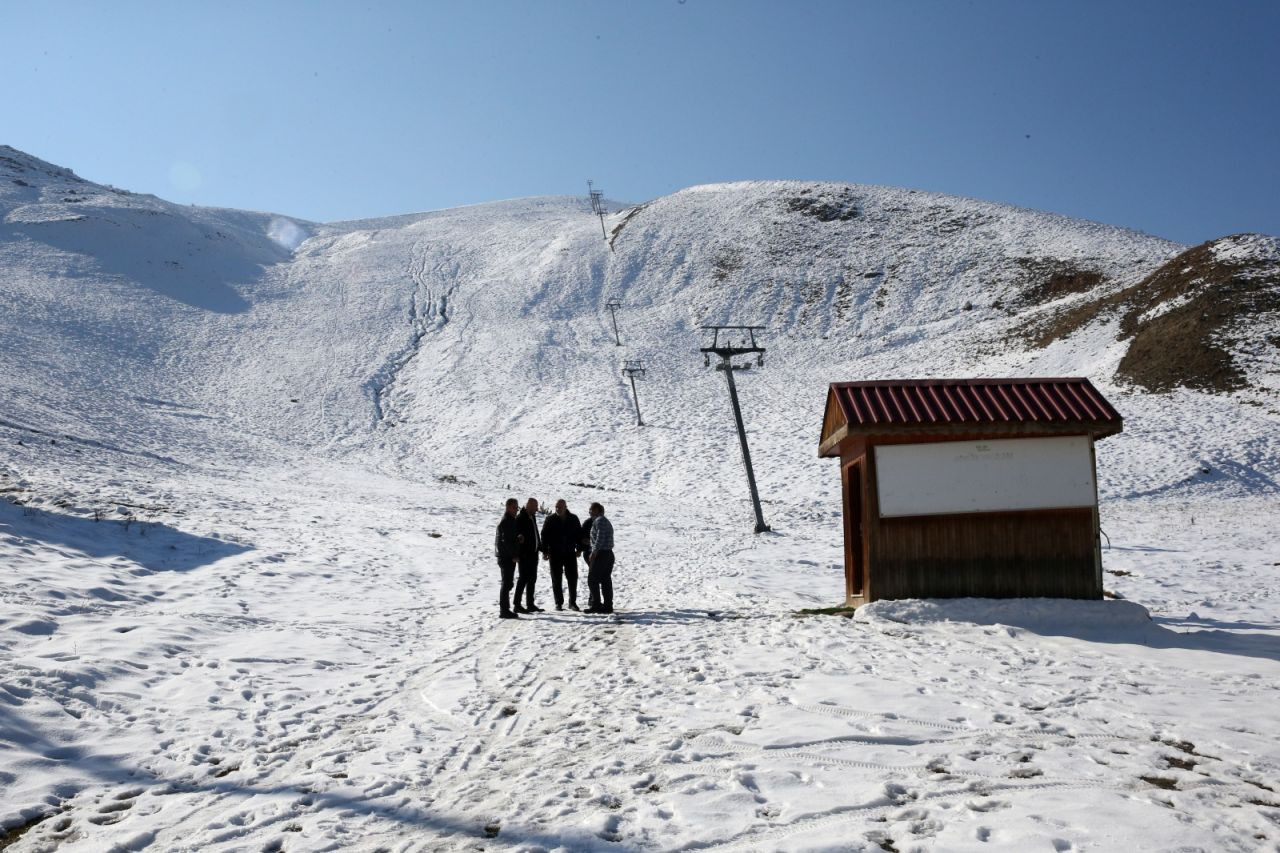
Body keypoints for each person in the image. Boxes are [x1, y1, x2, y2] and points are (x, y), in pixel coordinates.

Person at [540, 499, 582, 611]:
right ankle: (558, 603)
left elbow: (579, 534)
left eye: (560, 507)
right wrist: (545, 551)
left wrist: (579, 549)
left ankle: (572, 602)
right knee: (556, 578)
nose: (558, 509)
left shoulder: (573, 519)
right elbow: (544, 536)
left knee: (572, 578)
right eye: (556, 507)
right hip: (555, 553)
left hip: (569, 552)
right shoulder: (550, 519)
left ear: (565, 507)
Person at [513, 497, 543, 613]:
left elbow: (535, 535)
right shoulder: (521, 518)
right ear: (529, 506)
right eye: (535, 507)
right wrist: (520, 553)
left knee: (532, 579)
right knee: (523, 579)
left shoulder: (532, 517)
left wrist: (541, 548)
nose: (537, 509)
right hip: (525, 555)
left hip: (533, 554)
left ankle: (530, 603)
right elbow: (518, 537)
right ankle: (517, 604)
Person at [584, 502, 615, 614]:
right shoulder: (603, 521)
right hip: (608, 553)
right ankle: (607, 606)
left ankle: (596, 604)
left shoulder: (600, 521)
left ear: (597, 510)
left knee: (592, 579)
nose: (590, 512)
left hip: (601, 554)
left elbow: (600, 537)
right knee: (605, 579)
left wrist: (594, 551)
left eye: (591, 510)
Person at [494, 498, 520, 619]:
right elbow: (505, 542)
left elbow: (510, 539)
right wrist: (513, 555)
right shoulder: (506, 522)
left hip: (507, 556)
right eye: (514, 508)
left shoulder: (510, 521)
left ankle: (505, 609)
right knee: (506, 583)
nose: (516, 510)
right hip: (506, 557)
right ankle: (504, 610)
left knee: (508, 583)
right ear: (508, 507)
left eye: (517, 508)